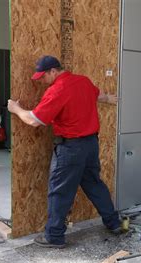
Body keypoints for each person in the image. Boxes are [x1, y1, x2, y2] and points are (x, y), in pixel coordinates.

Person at [7, 55, 122, 249]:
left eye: (43, 77)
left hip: (71, 149)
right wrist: (109, 98)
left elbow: (34, 120)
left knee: (59, 191)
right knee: (94, 184)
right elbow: (97, 94)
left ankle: (54, 236)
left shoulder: (57, 90)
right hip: (90, 145)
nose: (41, 82)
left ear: (53, 71)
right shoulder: (83, 81)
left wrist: (16, 109)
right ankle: (114, 223)